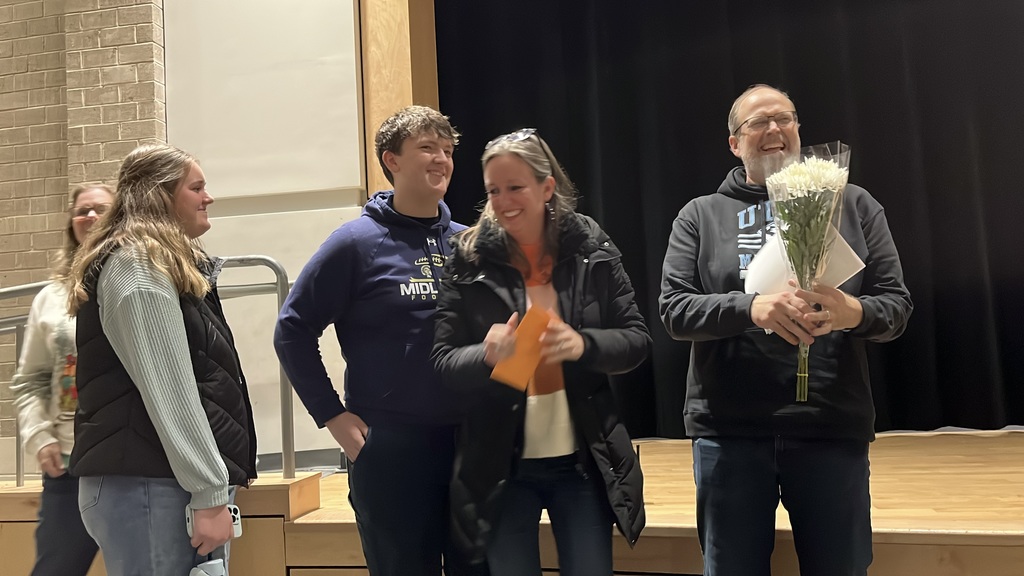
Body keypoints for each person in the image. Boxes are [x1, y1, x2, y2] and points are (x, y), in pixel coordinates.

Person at [659, 84, 913, 576]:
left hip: (829, 425)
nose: (775, 130)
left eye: (785, 118)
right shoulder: (700, 215)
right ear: (735, 143)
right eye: (758, 122)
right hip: (729, 432)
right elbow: (674, 310)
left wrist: (850, 312)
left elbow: (896, 305)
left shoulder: (853, 204)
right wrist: (750, 308)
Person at [432, 128, 650, 576]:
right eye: (494, 191)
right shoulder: (467, 257)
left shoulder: (590, 247)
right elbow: (444, 363)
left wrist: (582, 344)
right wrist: (486, 355)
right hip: (501, 466)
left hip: (583, 462)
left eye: (516, 188)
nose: (503, 201)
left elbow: (636, 340)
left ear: (547, 187)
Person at [274, 105, 481, 576]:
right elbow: (292, 329)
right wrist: (332, 417)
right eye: (427, 148)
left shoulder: (470, 244)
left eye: (447, 151)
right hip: (391, 448)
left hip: (472, 444)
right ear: (391, 160)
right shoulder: (355, 243)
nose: (441, 160)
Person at [66, 144, 257, 576]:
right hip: (151, 485)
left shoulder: (159, 264)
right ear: (161, 194)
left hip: (162, 482)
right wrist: (209, 492)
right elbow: (172, 392)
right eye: (197, 187)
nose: (208, 198)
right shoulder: (138, 267)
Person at [11, 184, 112, 576]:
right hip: (68, 468)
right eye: (82, 211)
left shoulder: (141, 281)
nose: (89, 217)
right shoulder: (50, 297)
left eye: (100, 209)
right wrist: (39, 435)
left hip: (131, 463)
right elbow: (30, 380)